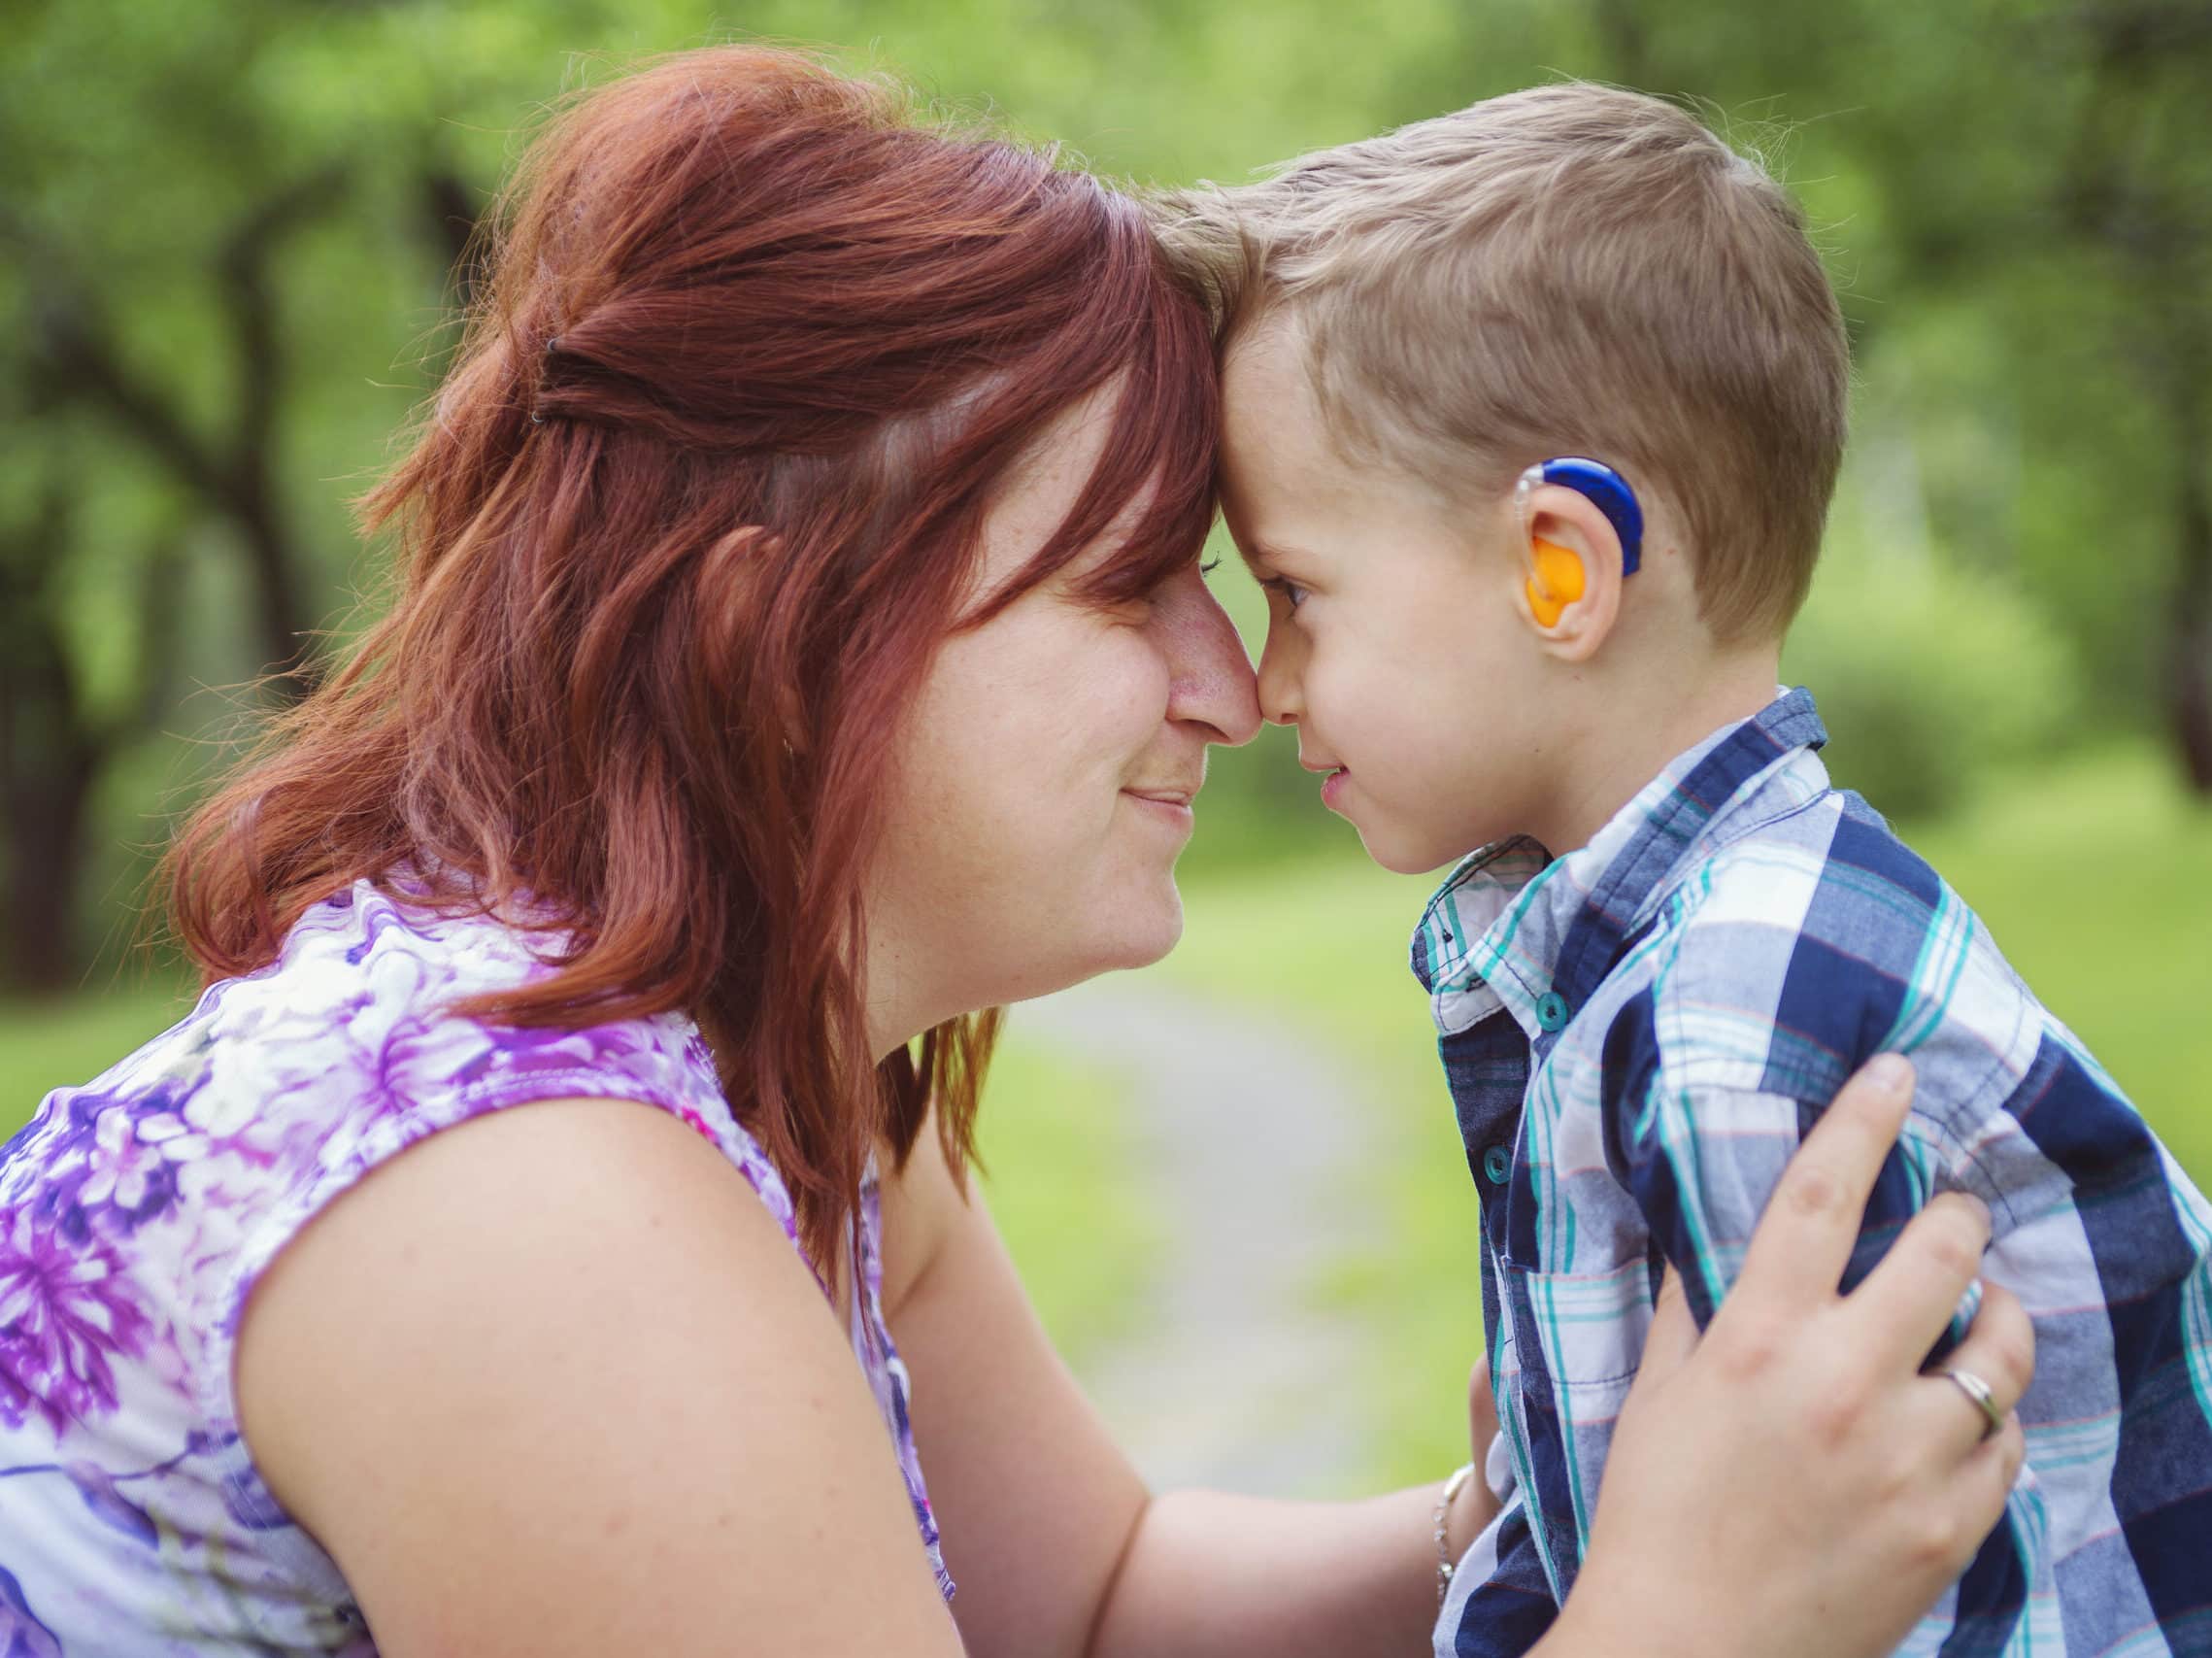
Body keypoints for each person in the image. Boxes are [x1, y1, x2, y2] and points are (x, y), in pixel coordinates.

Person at [0, 50, 2033, 1657]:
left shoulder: (777, 1071)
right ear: (777, 636)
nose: (1233, 689)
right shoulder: (534, 1214)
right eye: (1130, 583)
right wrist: (1684, 1618)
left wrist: (1542, 1516)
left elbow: (1091, 1601)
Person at [1164, 80, 2212, 1658]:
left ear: (1559, 568)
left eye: (1298, 591)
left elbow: (1870, 1589)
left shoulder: (1739, 1020)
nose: (1263, 681)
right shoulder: (1677, 955)